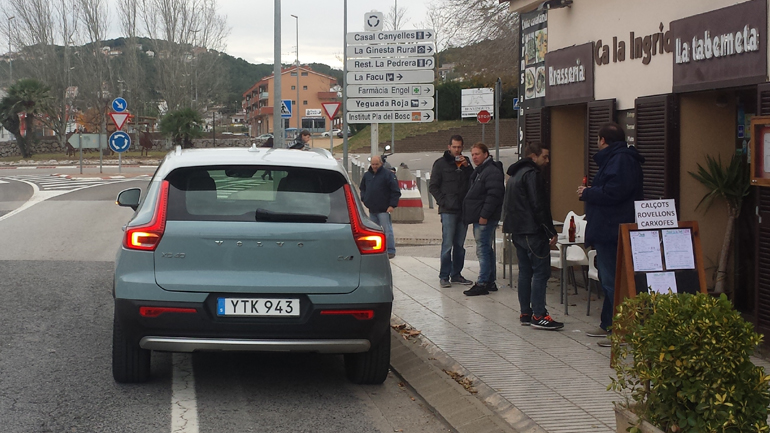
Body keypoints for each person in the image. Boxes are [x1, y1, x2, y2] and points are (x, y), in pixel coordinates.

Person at [578, 122, 644, 340]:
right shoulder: (619, 159)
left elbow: (615, 192)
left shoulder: (620, 160)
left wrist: (588, 193)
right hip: (610, 228)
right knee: (611, 279)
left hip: (612, 230)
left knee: (613, 280)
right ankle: (608, 324)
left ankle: (620, 328)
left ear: (603, 140)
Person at [503, 141, 563, 330]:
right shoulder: (532, 175)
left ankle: (525, 312)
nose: (547, 161)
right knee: (540, 273)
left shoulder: (514, 175)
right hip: (533, 231)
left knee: (525, 273)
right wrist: (549, 230)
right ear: (533, 157)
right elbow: (539, 205)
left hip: (517, 231)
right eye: (545, 156)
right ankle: (539, 314)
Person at [429, 135, 474, 288]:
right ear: (449, 147)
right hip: (448, 210)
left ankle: (456, 274)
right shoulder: (440, 164)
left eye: (459, 147)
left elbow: (473, 182)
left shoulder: (465, 163)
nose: (457, 150)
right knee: (447, 244)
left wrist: (467, 167)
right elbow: (433, 186)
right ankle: (444, 275)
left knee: (460, 245)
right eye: (454, 147)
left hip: (463, 210)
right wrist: (443, 201)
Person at [462, 142, 504, 296]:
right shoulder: (481, 171)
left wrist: (484, 215)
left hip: (484, 218)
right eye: (472, 154)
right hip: (481, 216)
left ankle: (483, 282)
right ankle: (490, 280)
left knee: (482, 249)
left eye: (477, 154)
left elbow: (494, 195)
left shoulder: (491, 171)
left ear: (486, 154)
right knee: (486, 248)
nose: (474, 157)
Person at [360, 155, 401, 259]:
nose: (374, 166)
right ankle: (376, 250)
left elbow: (395, 191)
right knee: (373, 231)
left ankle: (390, 250)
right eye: (373, 164)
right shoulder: (367, 175)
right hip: (372, 209)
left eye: (376, 164)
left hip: (384, 208)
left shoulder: (388, 175)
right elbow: (362, 188)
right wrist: (364, 199)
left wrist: (392, 205)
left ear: (381, 164)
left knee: (387, 230)